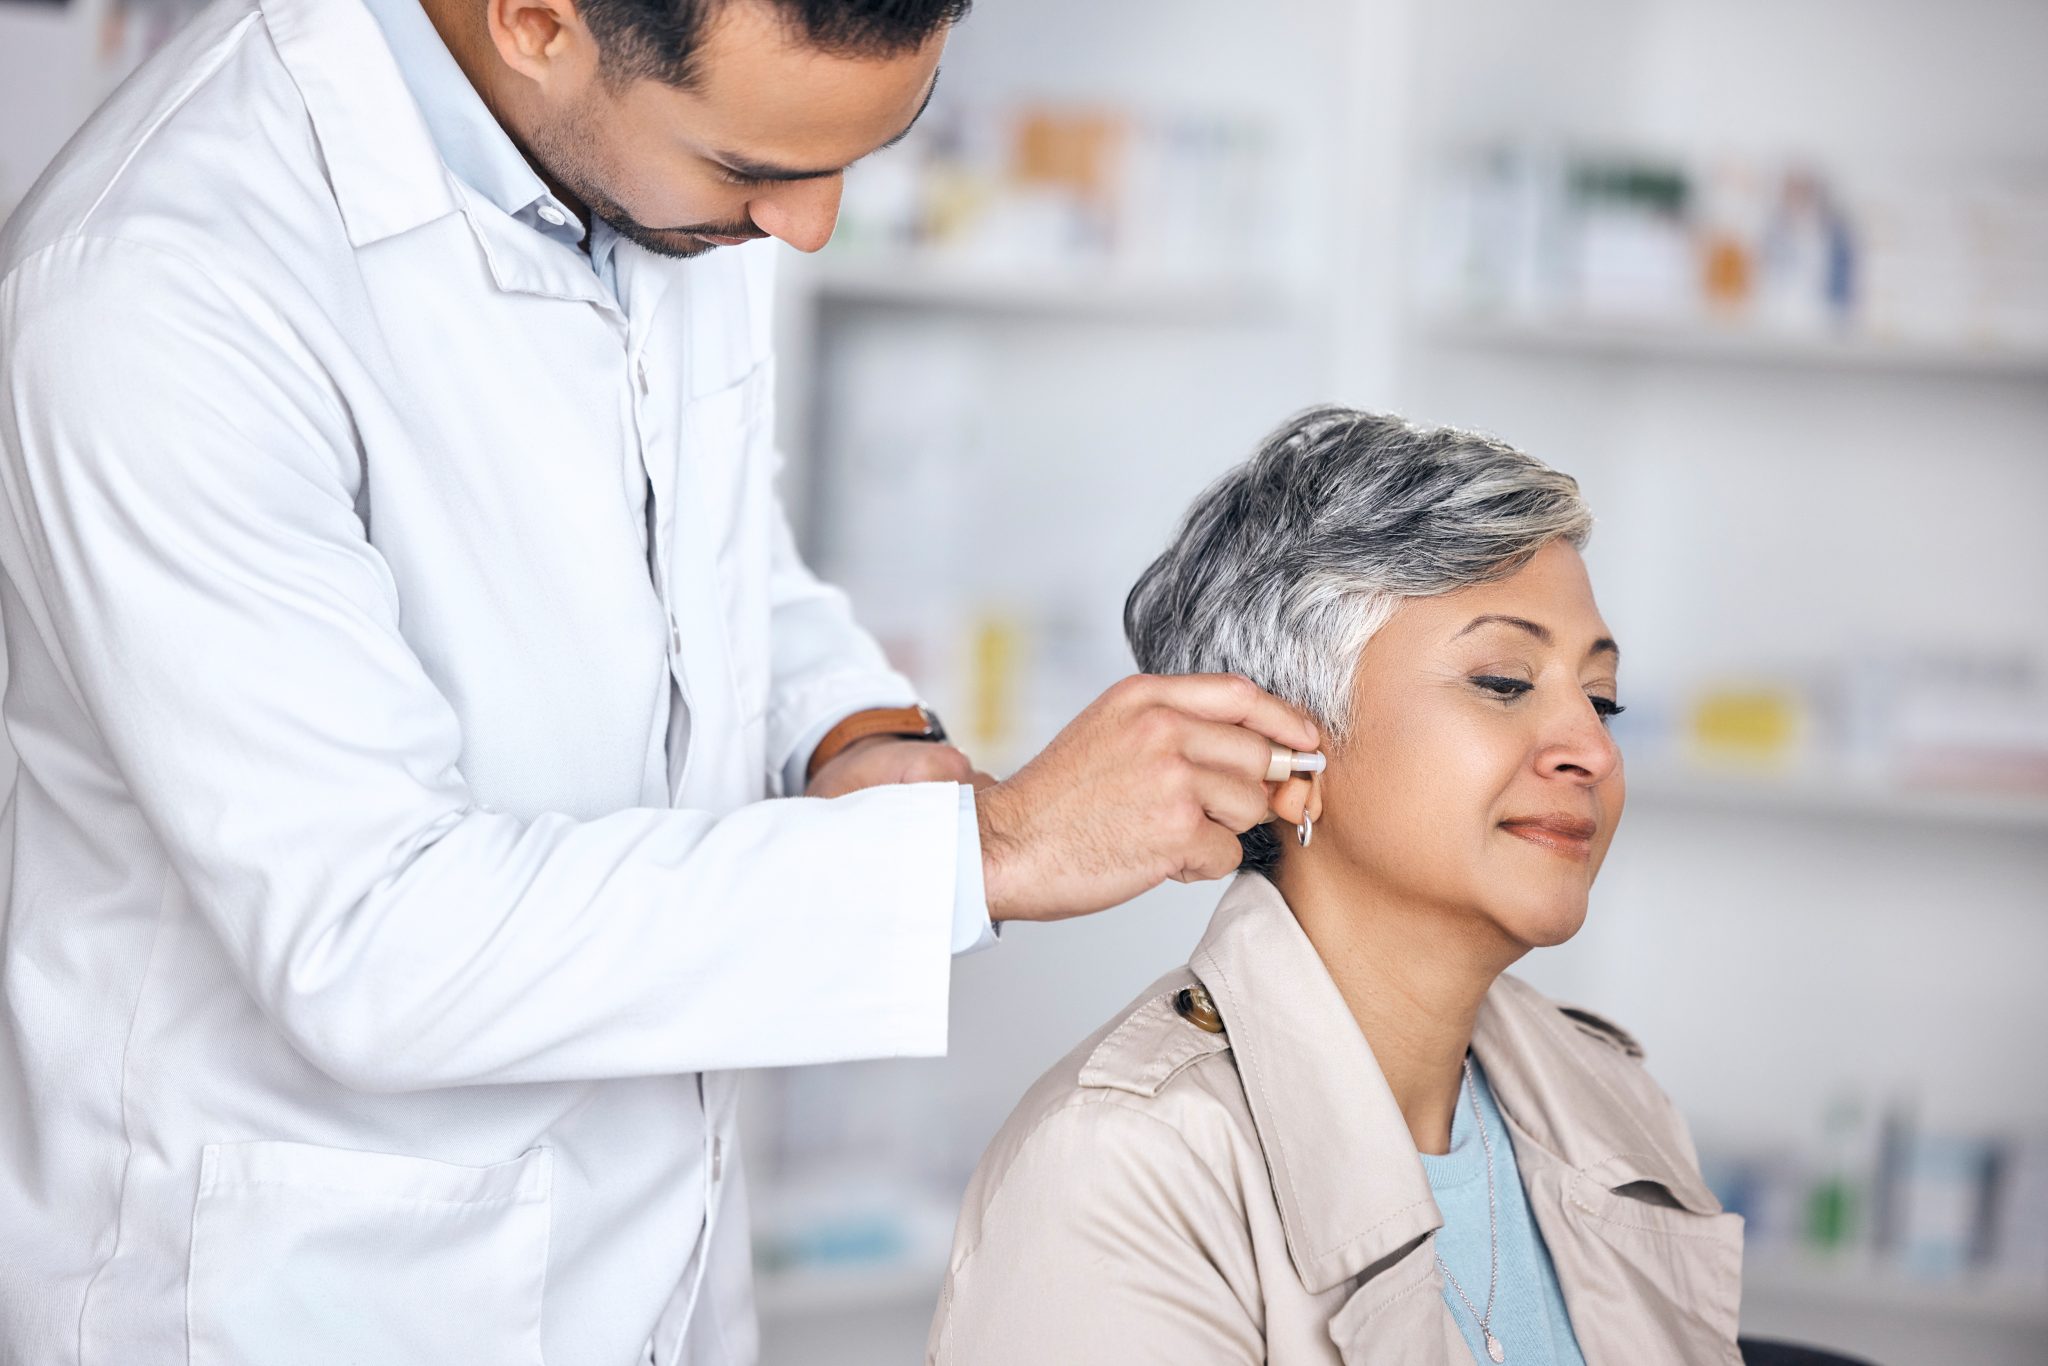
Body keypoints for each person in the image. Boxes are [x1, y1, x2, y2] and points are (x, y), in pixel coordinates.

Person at [0, 0, 1320, 1361]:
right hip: (300, 1290)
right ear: (534, 21)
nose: (810, 228)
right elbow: (373, 941)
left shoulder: (644, 164)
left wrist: (850, 728)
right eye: (757, 173)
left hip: (639, 1256)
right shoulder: (162, 290)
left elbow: (711, 557)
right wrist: (989, 851)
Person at [929, 408, 1746, 1366]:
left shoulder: (1611, 1100)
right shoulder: (1122, 1166)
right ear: (1283, 748)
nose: (1593, 751)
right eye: (1502, 681)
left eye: (1601, 699)